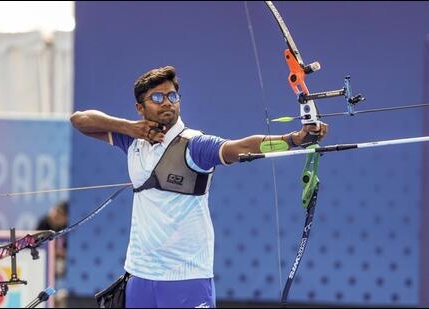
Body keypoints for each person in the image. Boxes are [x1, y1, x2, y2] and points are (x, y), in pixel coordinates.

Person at [70, 66, 328, 308]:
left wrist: (294, 139)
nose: (167, 102)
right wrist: (129, 128)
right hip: (139, 274)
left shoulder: (194, 145)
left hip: (186, 277)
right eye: (157, 98)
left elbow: (241, 147)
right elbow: (80, 120)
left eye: (172, 95)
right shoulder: (133, 142)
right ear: (140, 107)